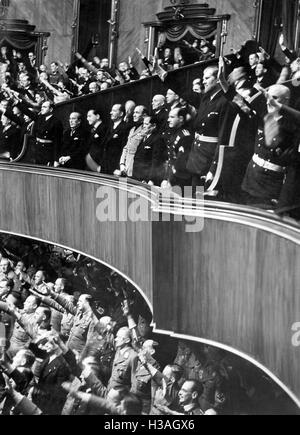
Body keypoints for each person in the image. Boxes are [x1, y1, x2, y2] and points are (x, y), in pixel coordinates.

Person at [118, 105, 147, 177]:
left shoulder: (146, 130)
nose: (134, 115)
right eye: (134, 112)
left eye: (137, 112)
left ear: (144, 115)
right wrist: (122, 164)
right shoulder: (132, 129)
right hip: (125, 168)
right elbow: (126, 147)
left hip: (136, 168)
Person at [107, 326, 138, 392]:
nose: (115, 339)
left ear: (127, 340)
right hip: (110, 390)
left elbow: (134, 383)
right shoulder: (118, 350)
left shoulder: (133, 356)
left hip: (121, 395)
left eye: (119, 337)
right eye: (116, 336)